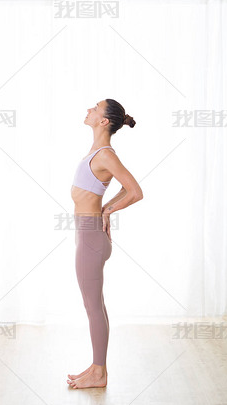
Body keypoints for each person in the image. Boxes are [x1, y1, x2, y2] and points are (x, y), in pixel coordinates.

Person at [67, 99, 143, 389]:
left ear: (103, 121)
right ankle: (97, 368)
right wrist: (105, 208)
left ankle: (99, 373)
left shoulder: (106, 155)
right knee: (95, 305)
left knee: (93, 308)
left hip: (91, 238)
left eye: (94, 108)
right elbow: (124, 188)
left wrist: (107, 210)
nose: (88, 108)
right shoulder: (98, 152)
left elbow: (135, 191)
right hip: (87, 235)